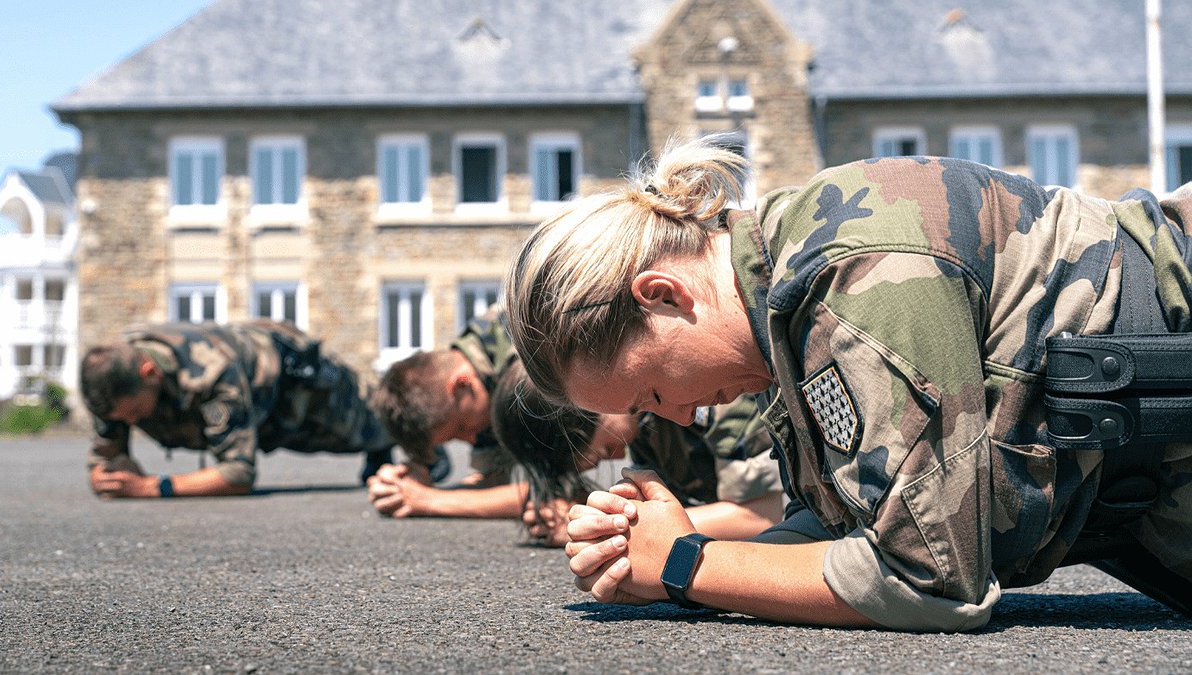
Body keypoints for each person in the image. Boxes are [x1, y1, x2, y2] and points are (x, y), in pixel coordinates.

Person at [503, 136, 1192, 631]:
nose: (679, 419)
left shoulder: (853, 280)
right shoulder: (781, 304)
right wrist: (673, 562)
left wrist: (687, 565)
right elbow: (841, 525)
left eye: (650, 393)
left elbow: (928, 575)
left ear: (661, 295)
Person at [81, 319, 394, 498]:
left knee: (376, 423)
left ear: (150, 373)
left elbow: (238, 473)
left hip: (291, 384)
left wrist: (151, 486)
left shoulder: (213, 374)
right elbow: (104, 454)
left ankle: (423, 457)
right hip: (247, 394)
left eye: (133, 412)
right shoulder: (110, 377)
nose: (130, 423)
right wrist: (103, 475)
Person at [492, 359, 783, 546]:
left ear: (589, 403)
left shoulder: (706, 386)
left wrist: (611, 528)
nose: (618, 458)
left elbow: (761, 514)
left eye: (606, 450)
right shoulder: (642, 425)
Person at [366, 308, 531, 518]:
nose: (471, 438)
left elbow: (556, 496)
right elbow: (493, 482)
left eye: (461, 428)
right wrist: (410, 484)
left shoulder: (526, 359)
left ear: (461, 384)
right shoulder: (481, 380)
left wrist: (427, 500)